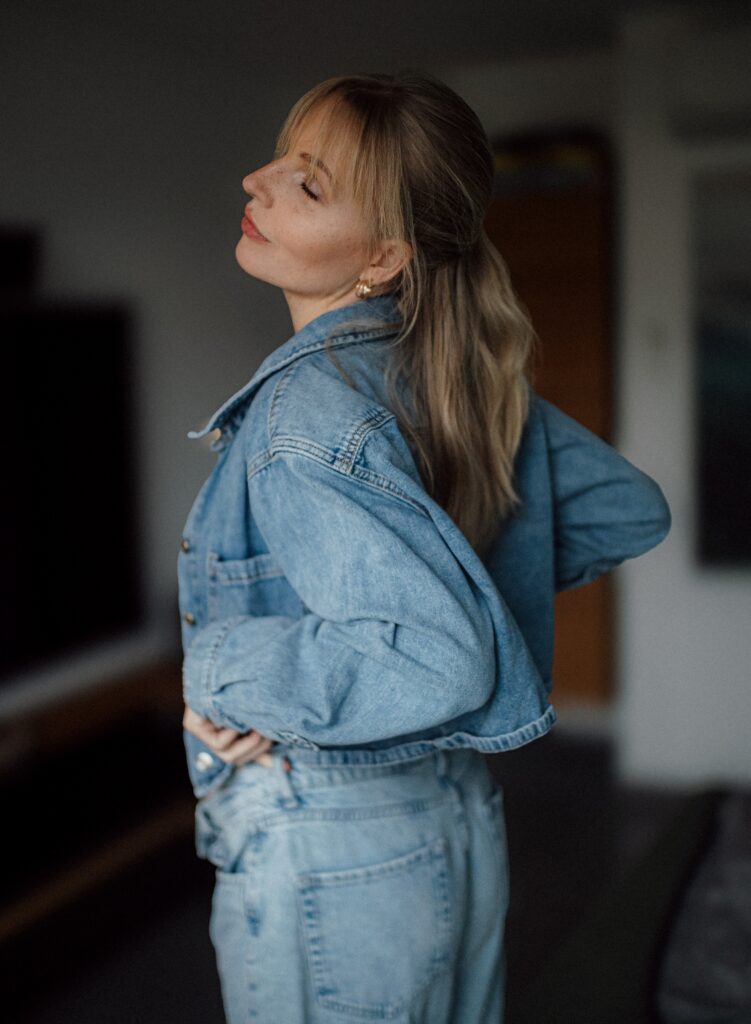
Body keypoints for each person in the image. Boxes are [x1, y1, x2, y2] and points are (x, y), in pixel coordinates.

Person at [178, 71, 671, 1024]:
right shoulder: (443, 379)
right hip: (455, 813)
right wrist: (462, 584)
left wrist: (218, 669)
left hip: (338, 840)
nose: (255, 181)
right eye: (281, 159)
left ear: (382, 258)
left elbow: (437, 659)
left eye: (307, 184)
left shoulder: (304, 415)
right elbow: (627, 510)